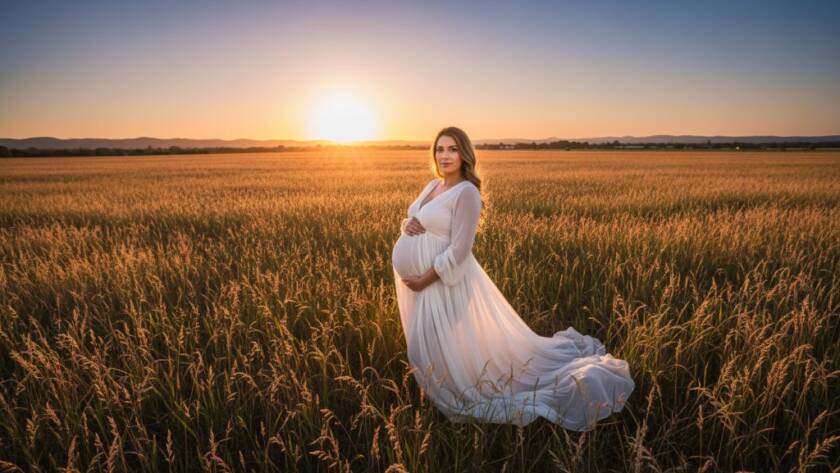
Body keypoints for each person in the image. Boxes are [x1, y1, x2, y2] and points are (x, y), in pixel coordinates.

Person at [391, 126, 635, 430]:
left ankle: (451, 401)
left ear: (464, 154)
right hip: (421, 285)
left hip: (443, 284)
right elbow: (419, 220)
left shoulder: (467, 191)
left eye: (452, 149)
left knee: (426, 343)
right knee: (429, 344)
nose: (445, 155)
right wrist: (407, 226)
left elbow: (460, 249)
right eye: (440, 149)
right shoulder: (431, 186)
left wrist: (425, 279)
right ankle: (437, 396)